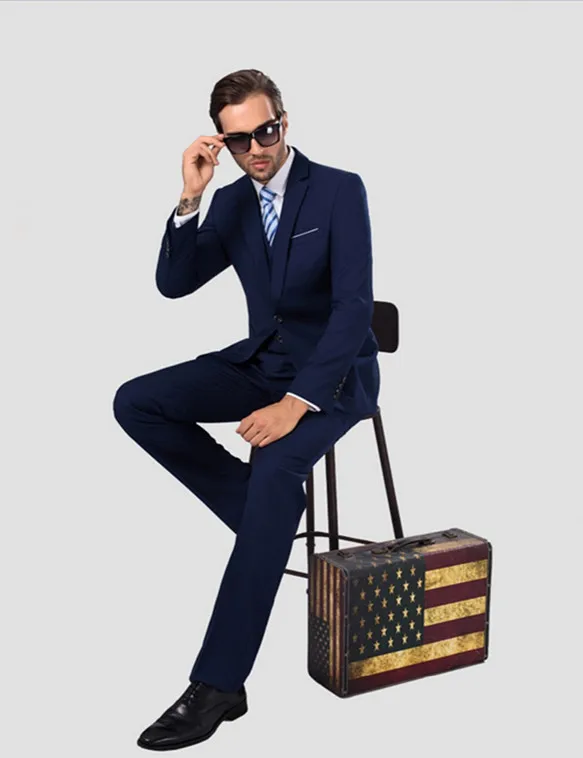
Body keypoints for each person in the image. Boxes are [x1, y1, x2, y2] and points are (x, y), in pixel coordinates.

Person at [113, 68, 380, 750]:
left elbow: (353, 310)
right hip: (260, 362)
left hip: (333, 377)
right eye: (238, 141)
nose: (255, 149)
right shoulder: (231, 200)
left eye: (265, 132)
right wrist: (190, 197)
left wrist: (296, 403)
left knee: (273, 472)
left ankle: (219, 685)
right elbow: (174, 284)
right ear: (222, 143)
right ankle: (264, 515)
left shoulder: (339, 190)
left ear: (284, 122)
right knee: (137, 402)